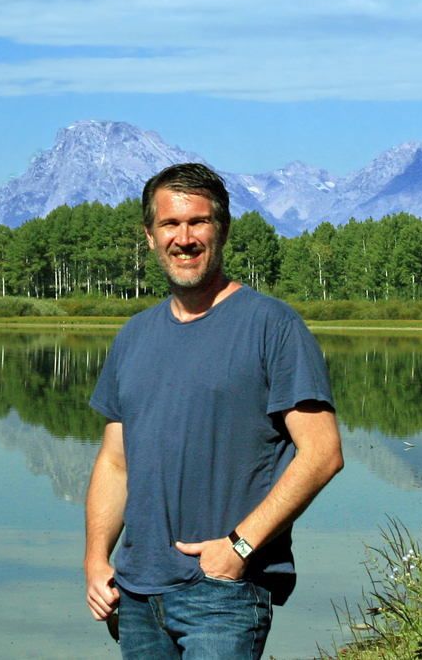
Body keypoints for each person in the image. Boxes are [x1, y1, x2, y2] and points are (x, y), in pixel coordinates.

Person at [83, 163, 344, 660]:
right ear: (150, 236)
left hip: (223, 593)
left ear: (221, 230)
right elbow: (115, 462)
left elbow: (323, 453)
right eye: (170, 224)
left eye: (198, 222)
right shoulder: (132, 337)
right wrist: (96, 560)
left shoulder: (273, 325)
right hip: (136, 596)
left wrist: (238, 549)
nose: (184, 238)